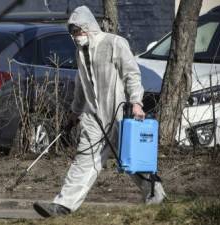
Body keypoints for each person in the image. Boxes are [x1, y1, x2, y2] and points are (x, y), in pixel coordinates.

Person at [33, 6, 166, 218]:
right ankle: (63, 205)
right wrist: (74, 113)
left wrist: (136, 103)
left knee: (130, 158)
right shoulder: (80, 53)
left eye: (78, 31)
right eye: (73, 33)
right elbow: (81, 85)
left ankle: (155, 192)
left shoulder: (114, 44)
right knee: (85, 158)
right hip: (93, 116)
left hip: (120, 113)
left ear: (88, 27)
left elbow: (132, 75)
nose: (76, 37)